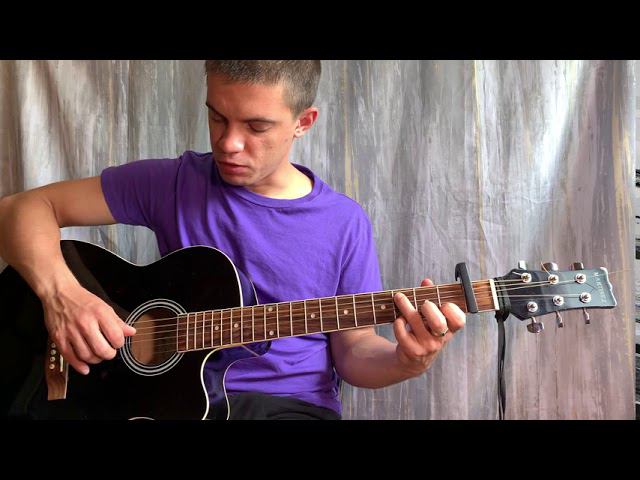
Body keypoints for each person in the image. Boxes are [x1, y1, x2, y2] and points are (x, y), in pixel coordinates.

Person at [0, 60, 466, 420]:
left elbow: (354, 351)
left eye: (256, 127)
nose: (228, 143)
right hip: (163, 398)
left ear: (303, 122)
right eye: (218, 118)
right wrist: (62, 297)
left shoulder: (344, 222)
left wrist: (408, 362)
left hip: (287, 407)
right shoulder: (174, 183)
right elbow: (20, 209)